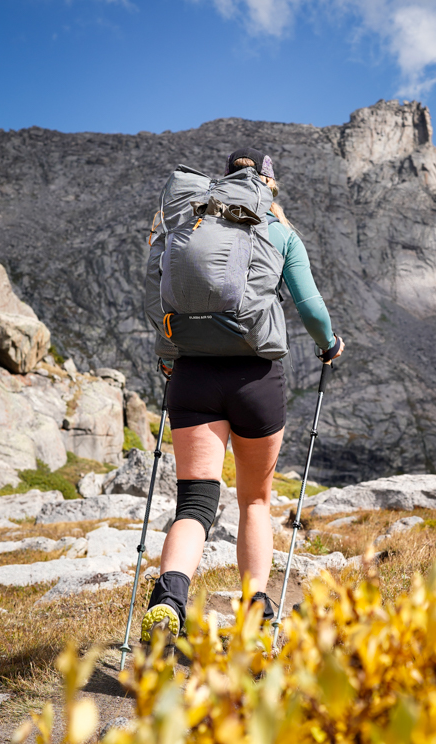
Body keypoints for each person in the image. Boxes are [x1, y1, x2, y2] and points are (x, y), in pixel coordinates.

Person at [141, 147, 344, 643]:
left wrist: (169, 353)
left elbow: (154, 293)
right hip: (255, 380)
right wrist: (330, 345)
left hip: (191, 378)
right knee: (255, 499)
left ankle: (168, 602)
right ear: (268, 185)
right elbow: (311, 308)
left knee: (193, 504)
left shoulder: (184, 224)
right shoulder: (278, 231)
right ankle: (255, 613)